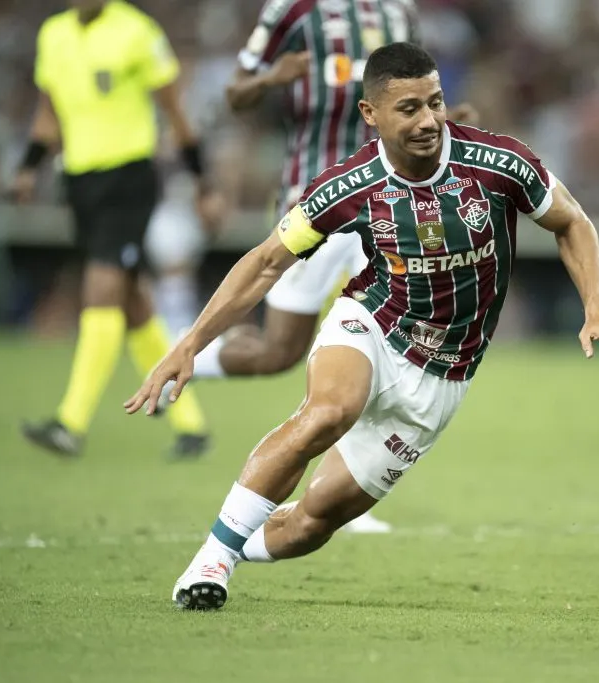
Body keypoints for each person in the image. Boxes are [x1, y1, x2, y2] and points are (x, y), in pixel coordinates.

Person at [125, 42, 599, 610]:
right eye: (408, 108)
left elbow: (573, 222)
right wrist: (190, 344)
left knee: (313, 522)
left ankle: (233, 545)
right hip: (373, 324)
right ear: (371, 114)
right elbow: (267, 261)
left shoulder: (499, 163)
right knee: (328, 412)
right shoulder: (348, 186)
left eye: (435, 102)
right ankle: (211, 561)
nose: (428, 120)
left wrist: (598, 308)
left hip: (442, 377)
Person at [190, 0, 474, 532]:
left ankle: (338, 489)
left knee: (383, 340)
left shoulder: (399, 12)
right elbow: (235, 94)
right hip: (316, 201)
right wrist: (274, 77)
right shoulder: (292, 11)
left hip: (392, 202)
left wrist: (442, 120)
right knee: (279, 352)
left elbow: (411, 92)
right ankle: (192, 357)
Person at [15, 0, 220, 458]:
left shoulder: (137, 32)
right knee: (132, 301)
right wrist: (29, 166)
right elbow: (49, 113)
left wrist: (202, 181)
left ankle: (70, 423)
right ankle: (191, 425)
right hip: (79, 181)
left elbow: (175, 111)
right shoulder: (53, 34)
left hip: (129, 177)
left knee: (101, 287)